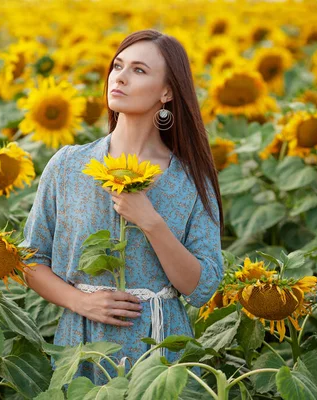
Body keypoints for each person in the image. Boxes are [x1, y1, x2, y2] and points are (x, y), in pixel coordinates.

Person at [20, 29, 225, 385]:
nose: (121, 77)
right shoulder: (68, 166)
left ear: (167, 92)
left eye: (139, 70)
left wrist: (151, 223)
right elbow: (31, 260)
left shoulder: (190, 180)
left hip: (161, 353)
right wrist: (79, 301)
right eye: (118, 66)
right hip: (83, 346)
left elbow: (202, 287)